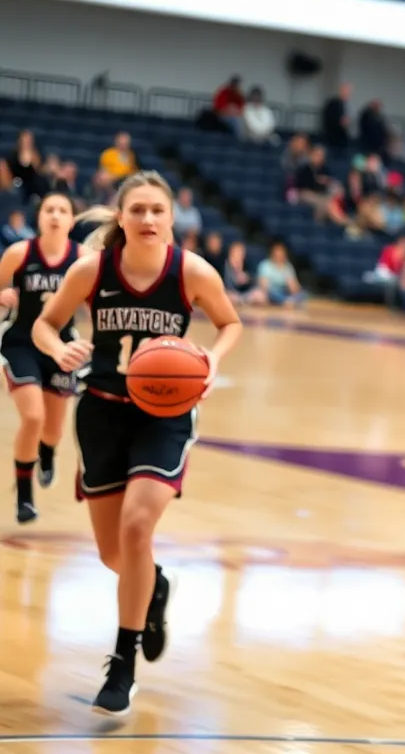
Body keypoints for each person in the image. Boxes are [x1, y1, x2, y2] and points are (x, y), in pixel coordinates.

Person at [33, 171, 242, 718]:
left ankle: (122, 663)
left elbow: (230, 324)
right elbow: (45, 325)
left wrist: (211, 359)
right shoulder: (92, 269)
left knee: (136, 527)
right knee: (114, 555)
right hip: (102, 411)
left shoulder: (191, 271)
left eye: (157, 210)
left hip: (164, 416)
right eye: (138, 210)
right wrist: (58, 350)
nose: (148, 219)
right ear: (121, 217)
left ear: (172, 219)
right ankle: (156, 585)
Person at [0, 192, 85, 523]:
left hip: (62, 346)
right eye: (49, 209)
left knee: (53, 430)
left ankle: (47, 451)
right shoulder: (19, 253)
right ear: (39, 218)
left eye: (63, 210)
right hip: (21, 343)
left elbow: (100, 301)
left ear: (71, 220)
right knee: (33, 417)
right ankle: (24, 495)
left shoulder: (83, 258)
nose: (55, 215)